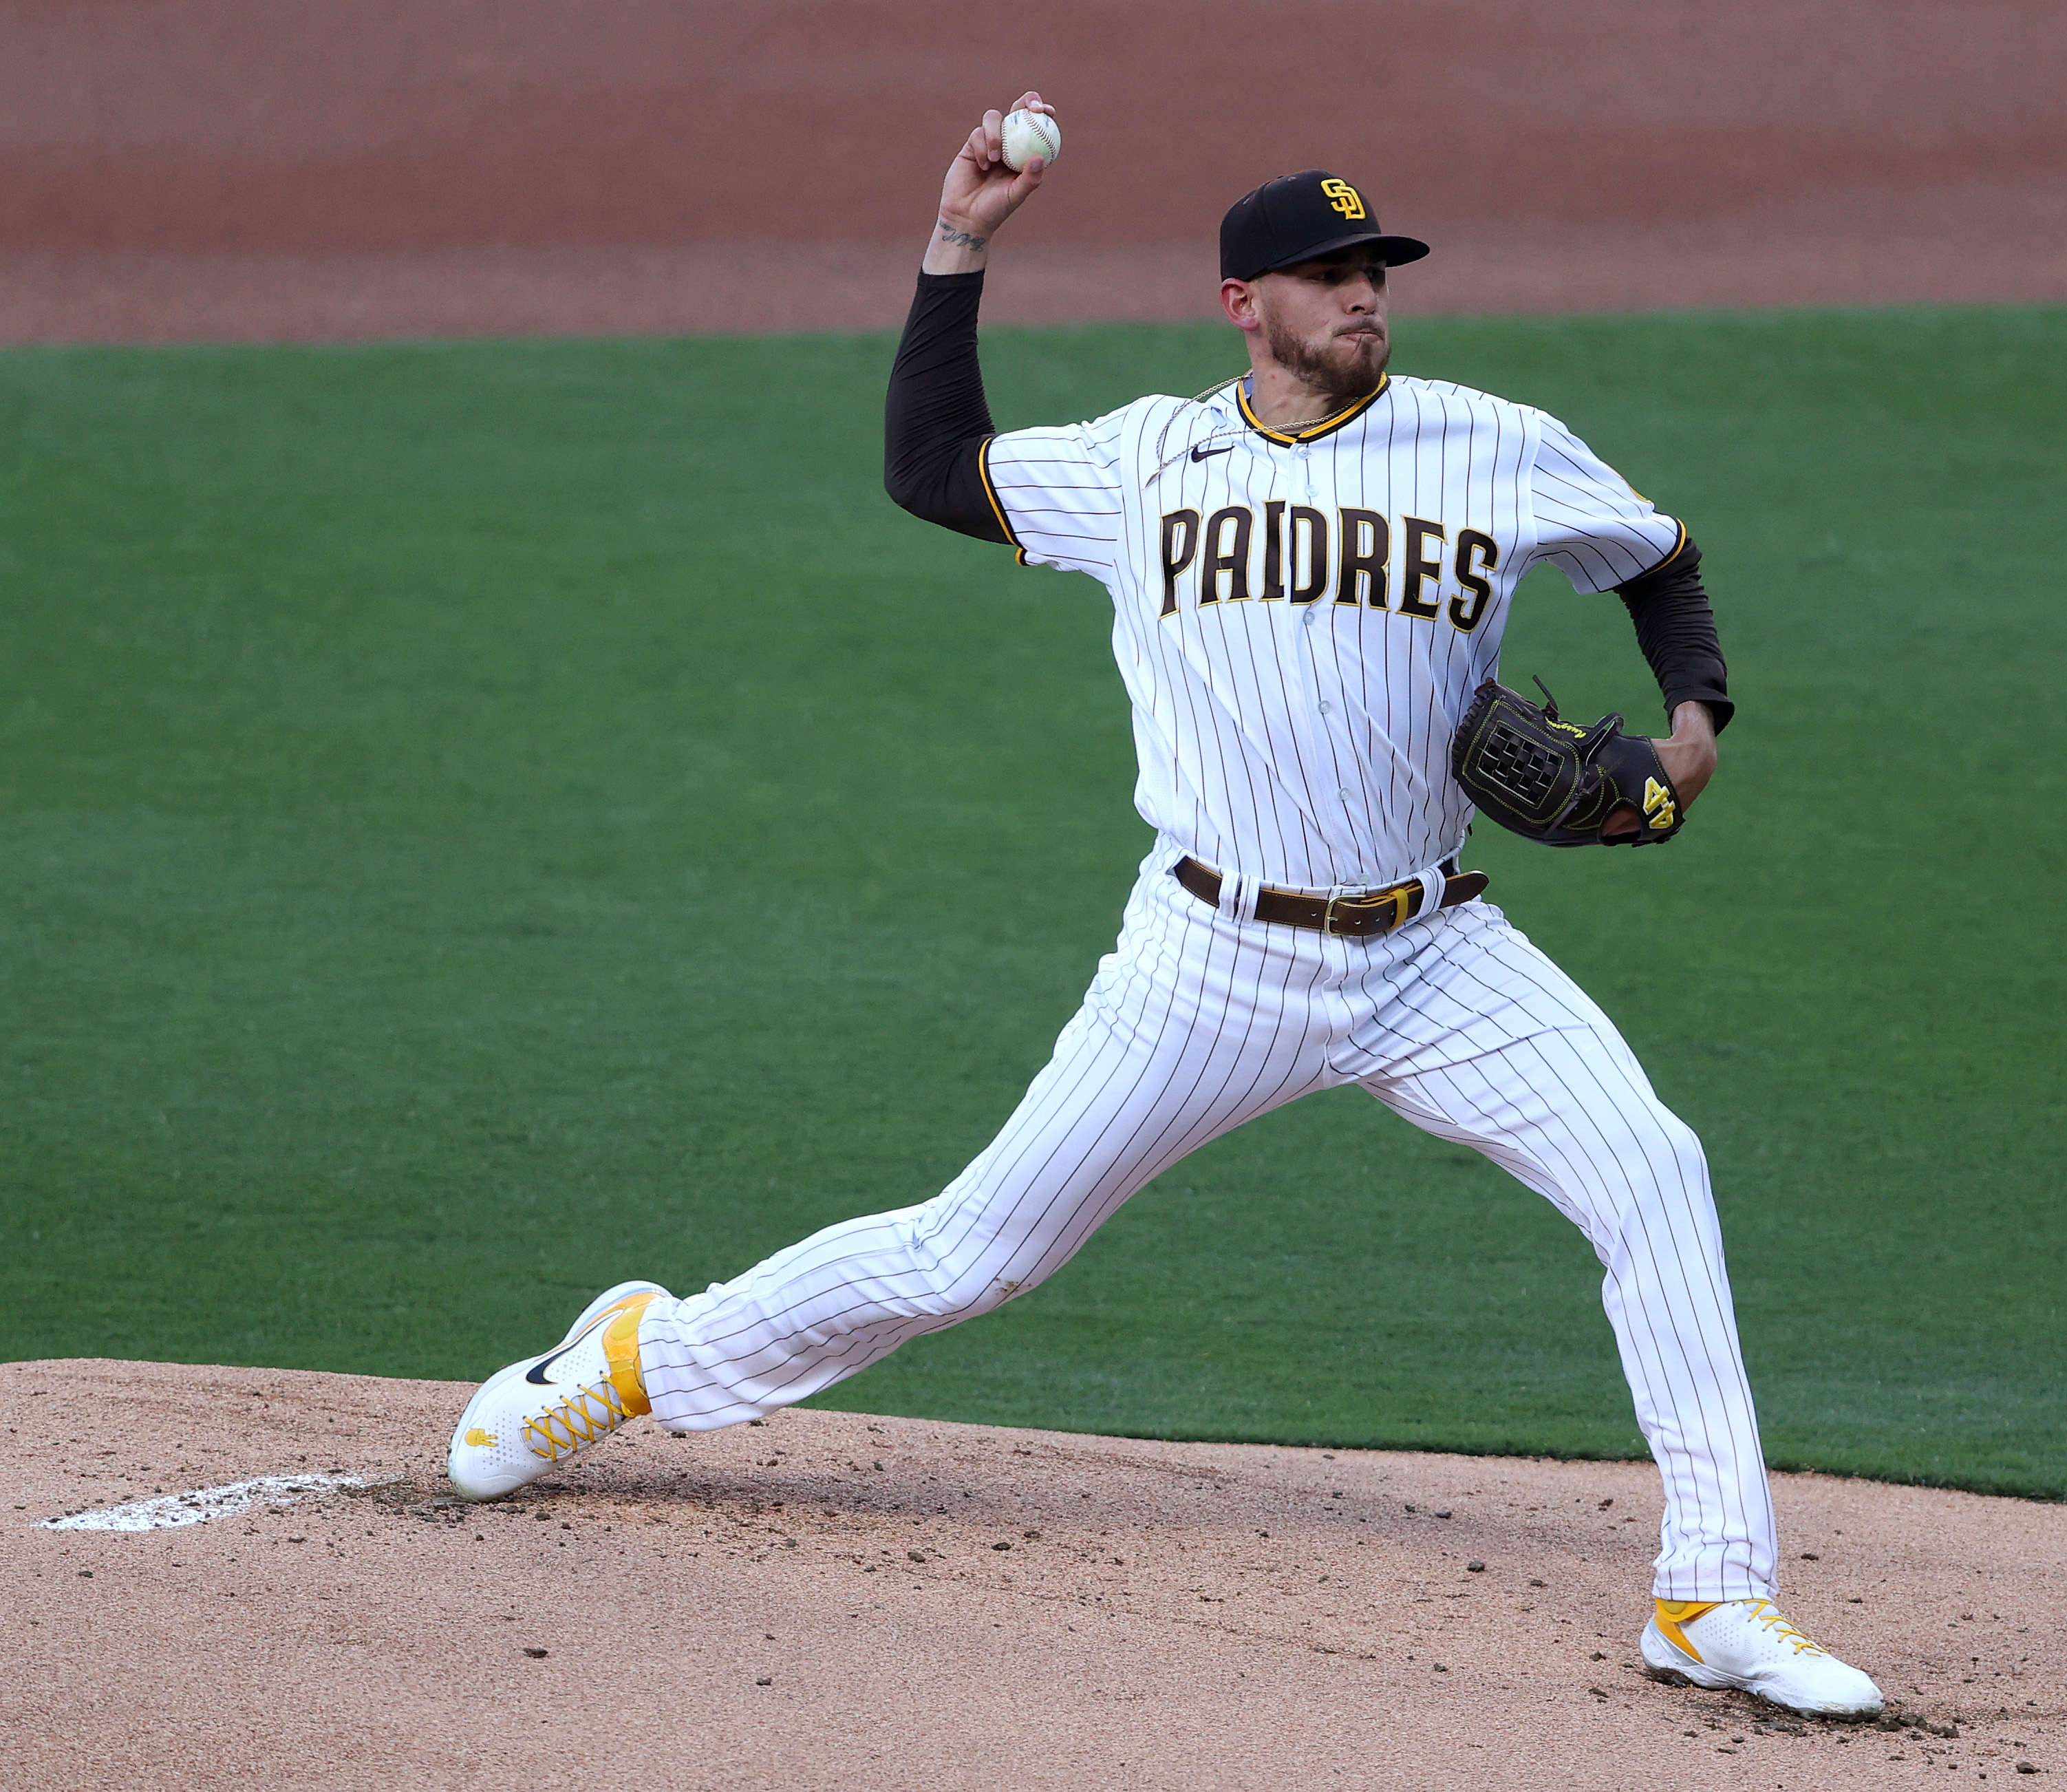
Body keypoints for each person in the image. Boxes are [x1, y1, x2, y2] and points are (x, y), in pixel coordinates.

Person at [446, 93, 1884, 1718]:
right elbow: (930, 471)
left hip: (1432, 952)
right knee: (968, 1255)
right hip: (1205, 958)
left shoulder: (1493, 440)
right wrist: (957, 246)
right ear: (1242, 306)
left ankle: (1709, 1595)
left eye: (1375, 269)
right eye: (1329, 271)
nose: (1364, 294)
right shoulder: (1145, 460)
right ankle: (631, 1361)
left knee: (1654, 1173)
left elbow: (1657, 556)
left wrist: (1693, 726)